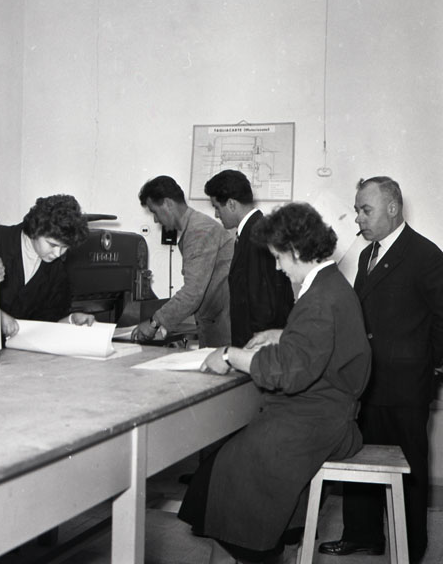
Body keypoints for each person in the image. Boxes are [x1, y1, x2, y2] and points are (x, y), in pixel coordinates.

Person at [178, 202, 371, 564]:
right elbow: (322, 343)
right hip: (327, 415)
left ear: (296, 250)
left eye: (279, 258)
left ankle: (250, 548)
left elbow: (290, 372)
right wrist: (283, 334)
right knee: (222, 470)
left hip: (316, 421)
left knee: (229, 468)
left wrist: (229, 355)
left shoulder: (319, 299)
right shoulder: (330, 285)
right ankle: (273, 539)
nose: (279, 268)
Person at [319, 177, 443, 563]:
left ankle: (412, 546)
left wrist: (433, 369)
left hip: (406, 386)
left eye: (365, 210)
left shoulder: (425, 255)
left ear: (392, 208)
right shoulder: (366, 255)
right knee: (361, 459)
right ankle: (362, 536)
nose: (358, 218)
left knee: (409, 469)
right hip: (366, 381)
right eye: (357, 209)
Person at [132, 175, 233, 347]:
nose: (156, 220)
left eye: (154, 211)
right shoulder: (196, 227)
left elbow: (192, 293)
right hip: (216, 324)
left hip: (224, 330)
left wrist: (154, 323)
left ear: (168, 203)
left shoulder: (199, 231)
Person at [204, 169, 293, 347]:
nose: (216, 215)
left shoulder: (256, 235)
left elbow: (263, 303)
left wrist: (254, 350)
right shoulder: (253, 230)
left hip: (257, 344)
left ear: (231, 204)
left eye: (217, 207)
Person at [0, 194, 95, 338]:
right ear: (36, 230)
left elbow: (46, 323)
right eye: (52, 245)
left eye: (64, 247)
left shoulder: (57, 270)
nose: (58, 253)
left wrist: (71, 320)